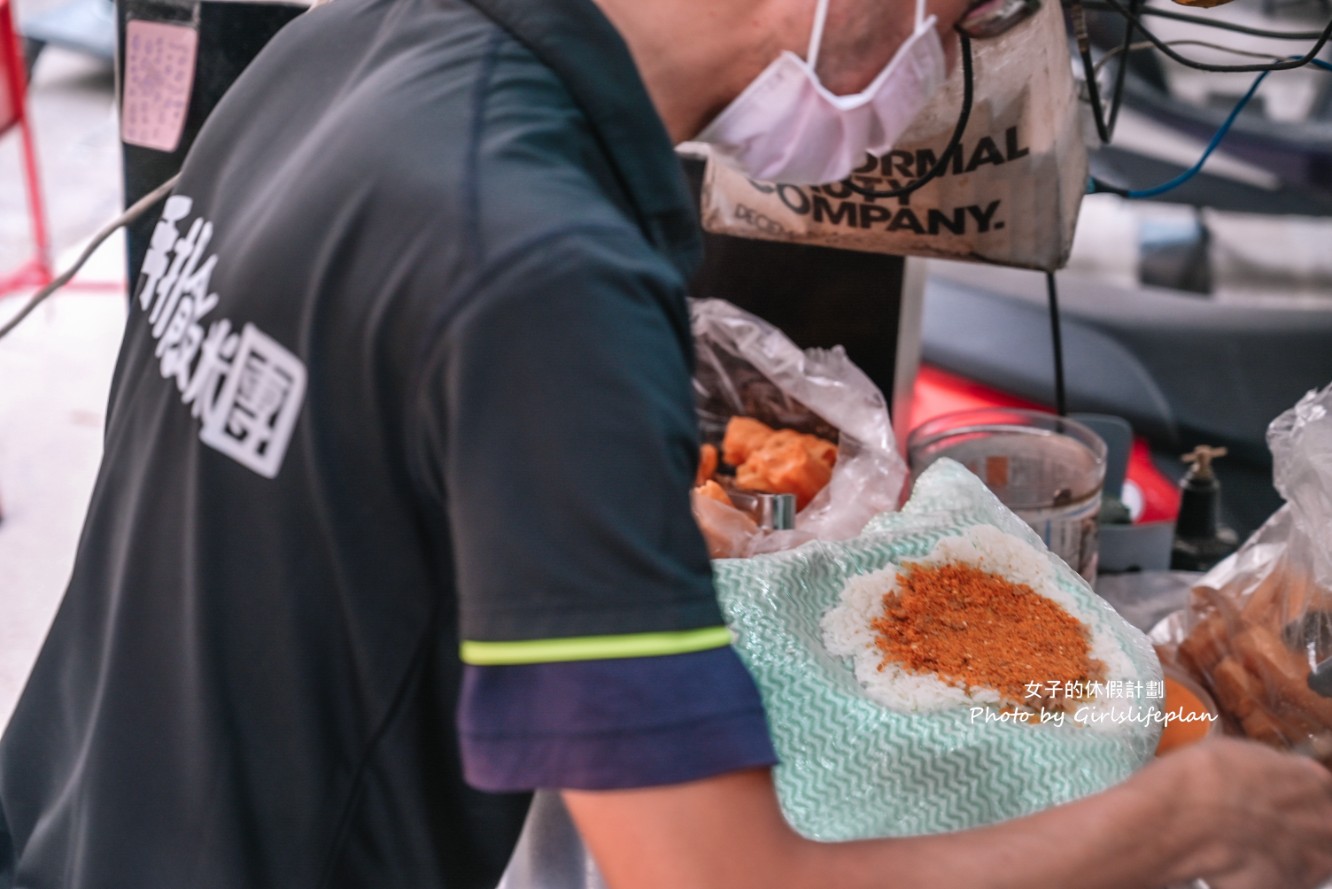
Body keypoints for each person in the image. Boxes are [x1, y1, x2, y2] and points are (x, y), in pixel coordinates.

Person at [1, 0, 1330, 886]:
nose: (934, 65)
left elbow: (332, 483)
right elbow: (714, 876)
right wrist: (1182, 817)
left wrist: (602, 510)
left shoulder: (349, 45)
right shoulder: (538, 269)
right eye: (954, 19)